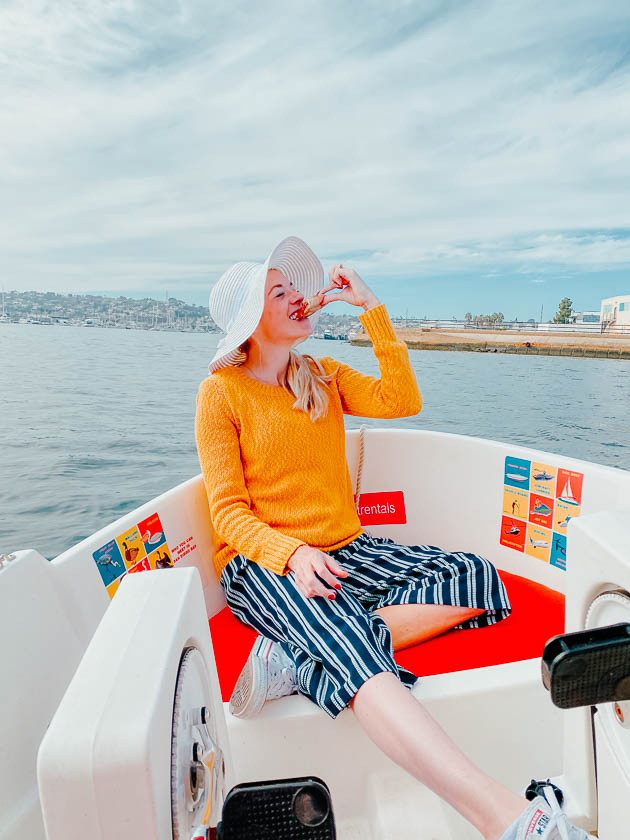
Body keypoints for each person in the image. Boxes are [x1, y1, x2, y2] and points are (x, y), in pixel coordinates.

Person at [195, 236, 591, 840]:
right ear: (251, 320)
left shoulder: (322, 375)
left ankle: (299, 662)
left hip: (346, 549)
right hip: (264, 563)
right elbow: (226, 514)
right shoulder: (221, 393)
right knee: (356, 653)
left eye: (294, 288)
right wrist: (292, 553)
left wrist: (372, 309)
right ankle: (510, 820)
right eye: (281, 293)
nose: (299, 298)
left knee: (480, 578)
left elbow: (404, 400)